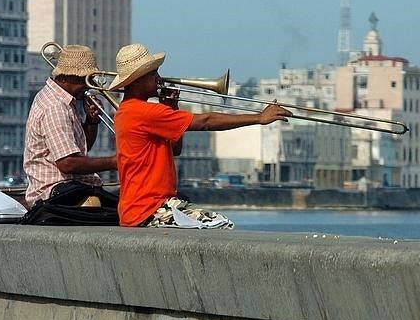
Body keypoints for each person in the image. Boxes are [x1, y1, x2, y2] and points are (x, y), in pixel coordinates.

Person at [108, 43, 292, 227]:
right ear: (137, 80)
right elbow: (205, 121)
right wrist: (259, 117)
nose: (159, 78)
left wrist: (171, 108)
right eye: (153, 73)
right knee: (221, 225)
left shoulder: (127, 111)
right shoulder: (142, 112)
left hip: (146, 206)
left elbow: (175, 149)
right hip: (148, 209)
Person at [23, 45, 117, 208]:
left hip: (69, 188)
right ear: (65, 78)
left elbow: (79, 150)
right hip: (55, 193)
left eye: (90, 79)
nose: (89, 86)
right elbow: (68, 163)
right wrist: (116, 161)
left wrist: (91, 121)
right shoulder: (55, 107)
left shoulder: (66, 101)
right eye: (84, 80)